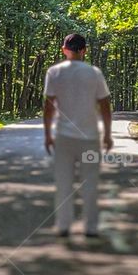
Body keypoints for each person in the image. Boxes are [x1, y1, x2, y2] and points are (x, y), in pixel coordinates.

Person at [43, 33, 113, 238]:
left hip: (64, 138)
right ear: (84, 50)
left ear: (64, 49)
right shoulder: (94, 73)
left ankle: (63, 226)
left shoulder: (54, 72)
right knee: (90, 183)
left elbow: (48, 107)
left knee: (63, 183)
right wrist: (107, 135)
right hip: (90, 138)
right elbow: (105, 106)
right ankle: (91, 228)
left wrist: (48, 135)